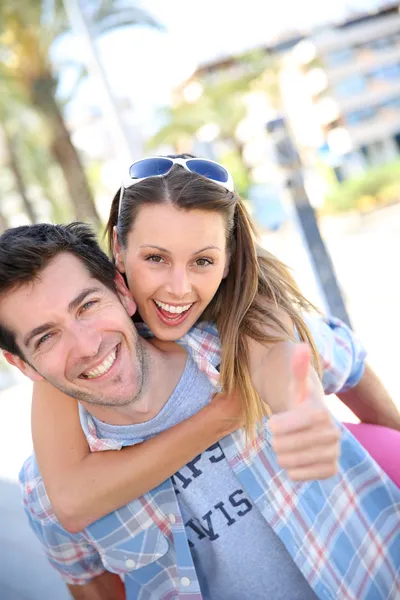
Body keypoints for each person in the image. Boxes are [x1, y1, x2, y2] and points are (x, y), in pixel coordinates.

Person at [0, 223, 399, 600]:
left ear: (122, 291)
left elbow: (347, 359)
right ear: (23, 365)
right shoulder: (46, 493)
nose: (86, 346)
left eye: (87, 305)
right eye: (47, 337)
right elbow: (88, 583)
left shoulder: (246, 349)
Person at [31, 156, 400, 535]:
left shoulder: (255, 312)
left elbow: (323, 359)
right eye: (155, 258)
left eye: (202, 261)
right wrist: (225, 413)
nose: (178, 287)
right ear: (119, 250)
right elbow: (70, 502)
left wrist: (300, 405)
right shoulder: (83, 345)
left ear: (227, 261)